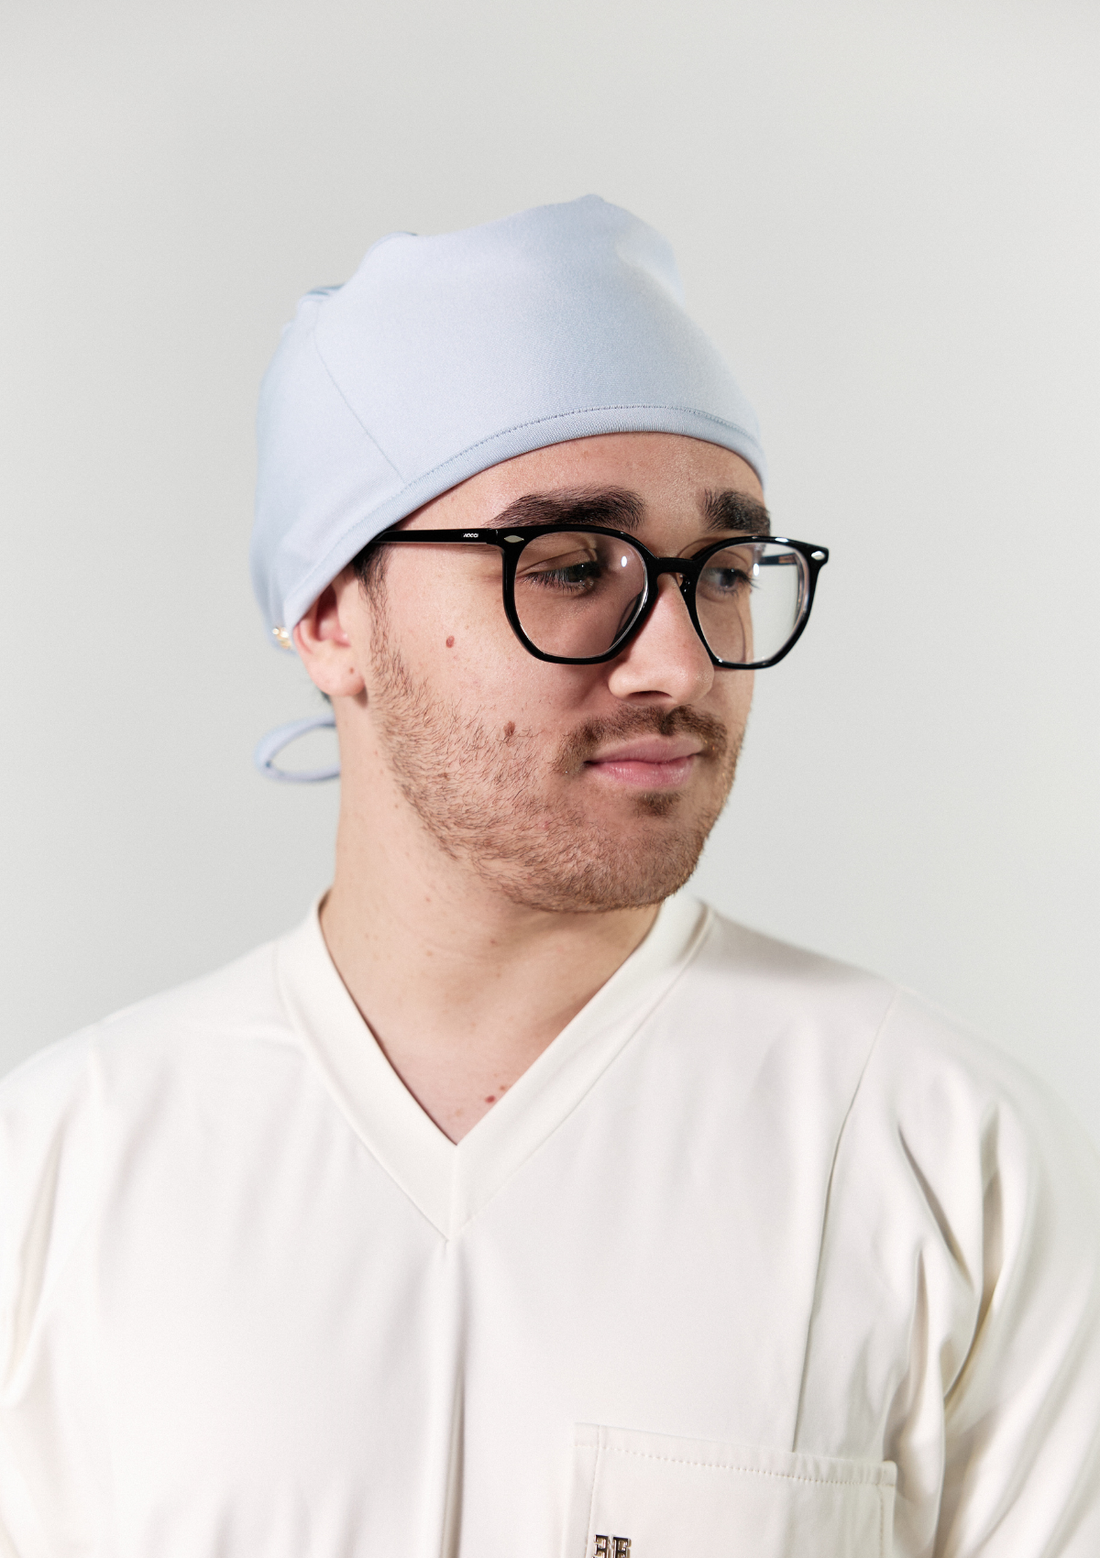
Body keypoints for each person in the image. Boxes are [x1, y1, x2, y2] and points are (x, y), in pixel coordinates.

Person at [0, 197, 1097, 1558]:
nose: (680, 664)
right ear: (331, 614)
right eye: (572, 566)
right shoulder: (58, 1175)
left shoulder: (945, 1159)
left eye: (727, 571)